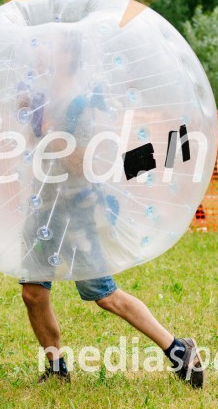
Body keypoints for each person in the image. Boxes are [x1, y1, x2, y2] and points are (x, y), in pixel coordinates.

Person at [17, 31, 204, 387]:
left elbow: (85, 164)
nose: (40, 56)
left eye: (49, 49)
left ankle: (179, 349)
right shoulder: (47, 101)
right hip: (44, 209)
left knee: (104, 295)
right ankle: (56, 369)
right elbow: (34, 152)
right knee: (33, 292)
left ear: (67, 58)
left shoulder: (80, 106)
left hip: (76, 212)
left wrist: (50, 135)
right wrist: (33, 123)